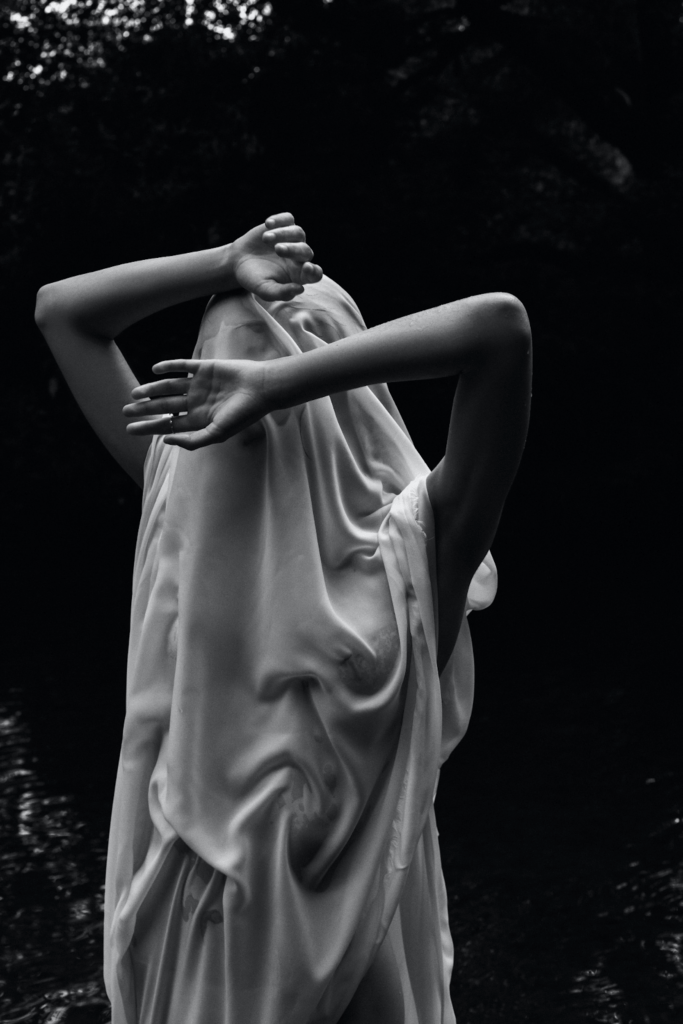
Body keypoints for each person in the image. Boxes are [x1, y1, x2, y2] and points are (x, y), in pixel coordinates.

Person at [35, 213, 532, 1024]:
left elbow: (63, 312)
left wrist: (228, 284)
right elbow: (498, 332)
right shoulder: (409, 577)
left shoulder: (388, 565)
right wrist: (274, 363)